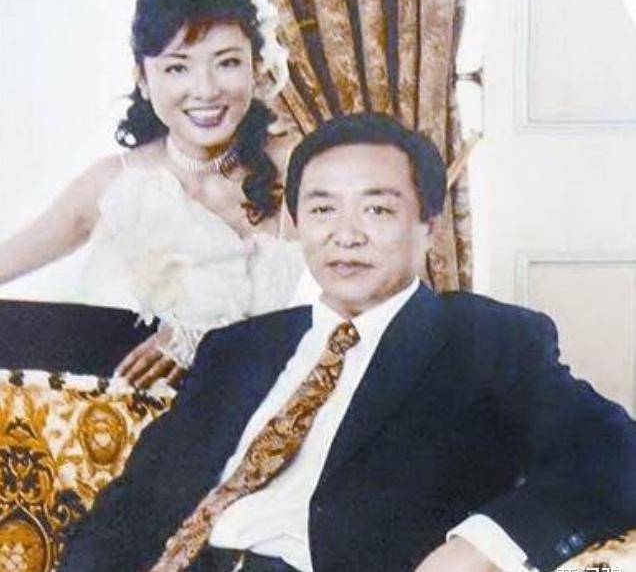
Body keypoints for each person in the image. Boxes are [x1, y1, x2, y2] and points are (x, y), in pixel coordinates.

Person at [59, 113, 636, 572]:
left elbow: (617, 455)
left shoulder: (483, 341)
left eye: (378, 209)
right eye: (322, 209)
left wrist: (478, 548)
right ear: (296, 223)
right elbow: (135, 505)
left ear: (427, 226)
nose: (346, 235)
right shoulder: (238, 348)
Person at [0, 0, 305, 387]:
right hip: (109, 417)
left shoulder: (301, 171)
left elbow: (356, 305)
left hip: (257, 415)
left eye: (227, 62)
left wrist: (200, 339)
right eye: (178, 67)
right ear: (143, 79)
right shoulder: (113, 183)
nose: (206, 89)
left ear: (255, 68)